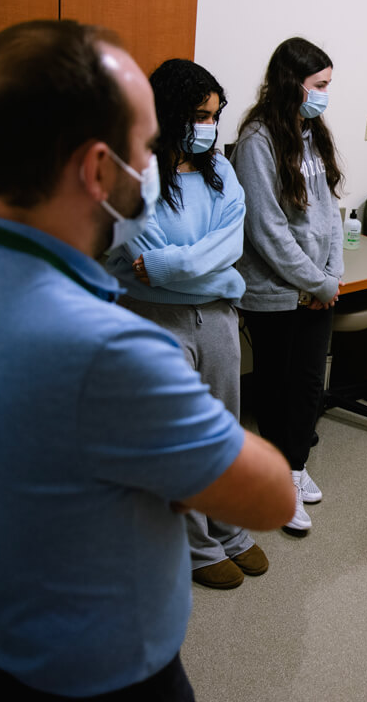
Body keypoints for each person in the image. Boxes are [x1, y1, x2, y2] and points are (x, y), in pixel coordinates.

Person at [0, 20, 295, 699]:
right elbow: (271, 495)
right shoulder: (105, 348)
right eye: (144, 147)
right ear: (98, 169)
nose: (154, 163)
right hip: (99, 673)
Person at [105, 58, 265, 591]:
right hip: (153, 320)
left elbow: (229, 247)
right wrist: (200, 269)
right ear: (168, 114)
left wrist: (173, 268)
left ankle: (230, 529)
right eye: (199, 115)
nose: (209, 127)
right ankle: (195, 546)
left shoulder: (222, 173)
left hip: (217, 318)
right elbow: (138, 256)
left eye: (214, 117)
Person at [232, 36, 343, 534]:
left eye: (328, 86)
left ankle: (294, 469)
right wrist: (313, 281)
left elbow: (331, 212)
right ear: (291, 83)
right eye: (319, 85)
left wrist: (331, 276)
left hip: (316, 286)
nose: (325, 95)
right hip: (276, 290)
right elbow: (267, 230)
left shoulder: (312, 130)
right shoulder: (258, 139)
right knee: (275, 392)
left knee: (307, 384)